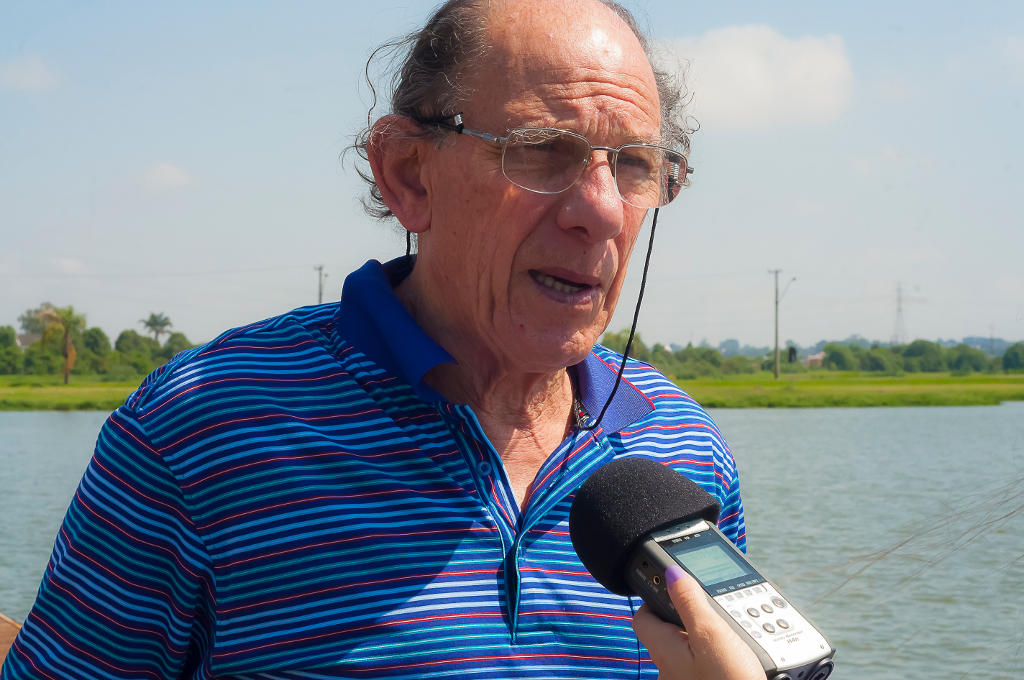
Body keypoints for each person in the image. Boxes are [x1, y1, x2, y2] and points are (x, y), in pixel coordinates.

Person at [2, 1, 761, 678]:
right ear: (408, 174)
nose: (599, 210)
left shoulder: (683, 450)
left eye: (635, 164)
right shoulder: (203, 428)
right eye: (541, 149)